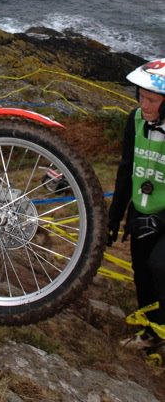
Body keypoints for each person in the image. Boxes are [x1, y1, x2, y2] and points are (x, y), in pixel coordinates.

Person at [108, 58, 165, 351]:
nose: (144, 105)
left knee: (159, 266)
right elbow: (126, 168)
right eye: (141, 97)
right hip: (142, 210)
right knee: (141, 272)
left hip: (162, 215)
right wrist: (113, 218)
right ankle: (152, 332)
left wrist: (161, 220)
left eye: (152, 100)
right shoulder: (135, 119)